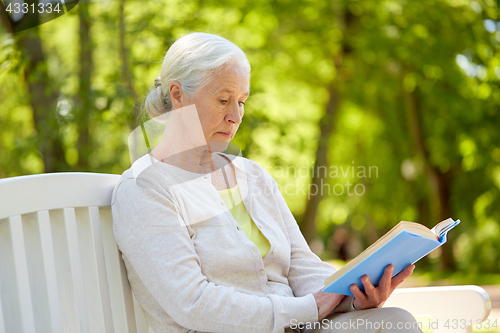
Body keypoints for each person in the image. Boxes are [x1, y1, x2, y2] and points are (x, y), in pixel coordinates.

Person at [111, 32, 423, 333]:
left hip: (299, 326)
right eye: (223, 100)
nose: (236, 116)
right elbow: (193, 303)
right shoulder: (145, 188)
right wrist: (311, 308)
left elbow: (301, 266)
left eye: (242, 101)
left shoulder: (252, 175)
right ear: (178, 95)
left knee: (396, 322)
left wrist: (352, 294)